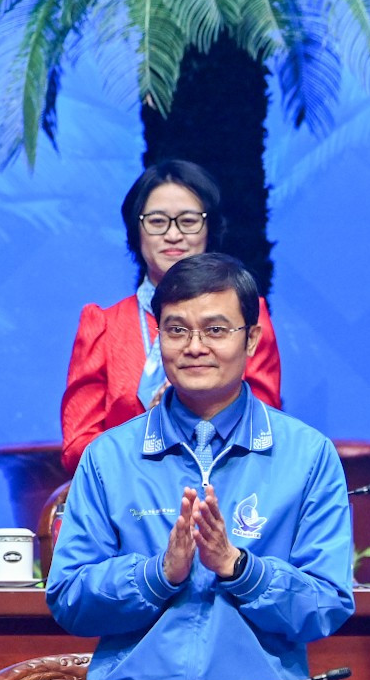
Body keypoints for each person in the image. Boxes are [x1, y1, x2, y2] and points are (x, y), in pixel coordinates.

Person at [48, 254, 352, 680]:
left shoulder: (307, 455)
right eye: (176, 330)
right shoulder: (110, 456)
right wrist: (158, 574)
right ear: (158, 337)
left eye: (215, 329)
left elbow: (326, 602)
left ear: (251, 339)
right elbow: (69, 598)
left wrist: (240, 568)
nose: (194, 346)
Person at [61, 160, 283, 475]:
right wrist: (148, 434)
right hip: (128, 502)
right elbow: (75, 449)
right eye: (157, 221)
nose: (174, 234)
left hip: (229, 496)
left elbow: (266, 428)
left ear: (210, 229)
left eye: (189, 220)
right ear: (135, 231)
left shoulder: (248, 314)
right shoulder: (103, 325)